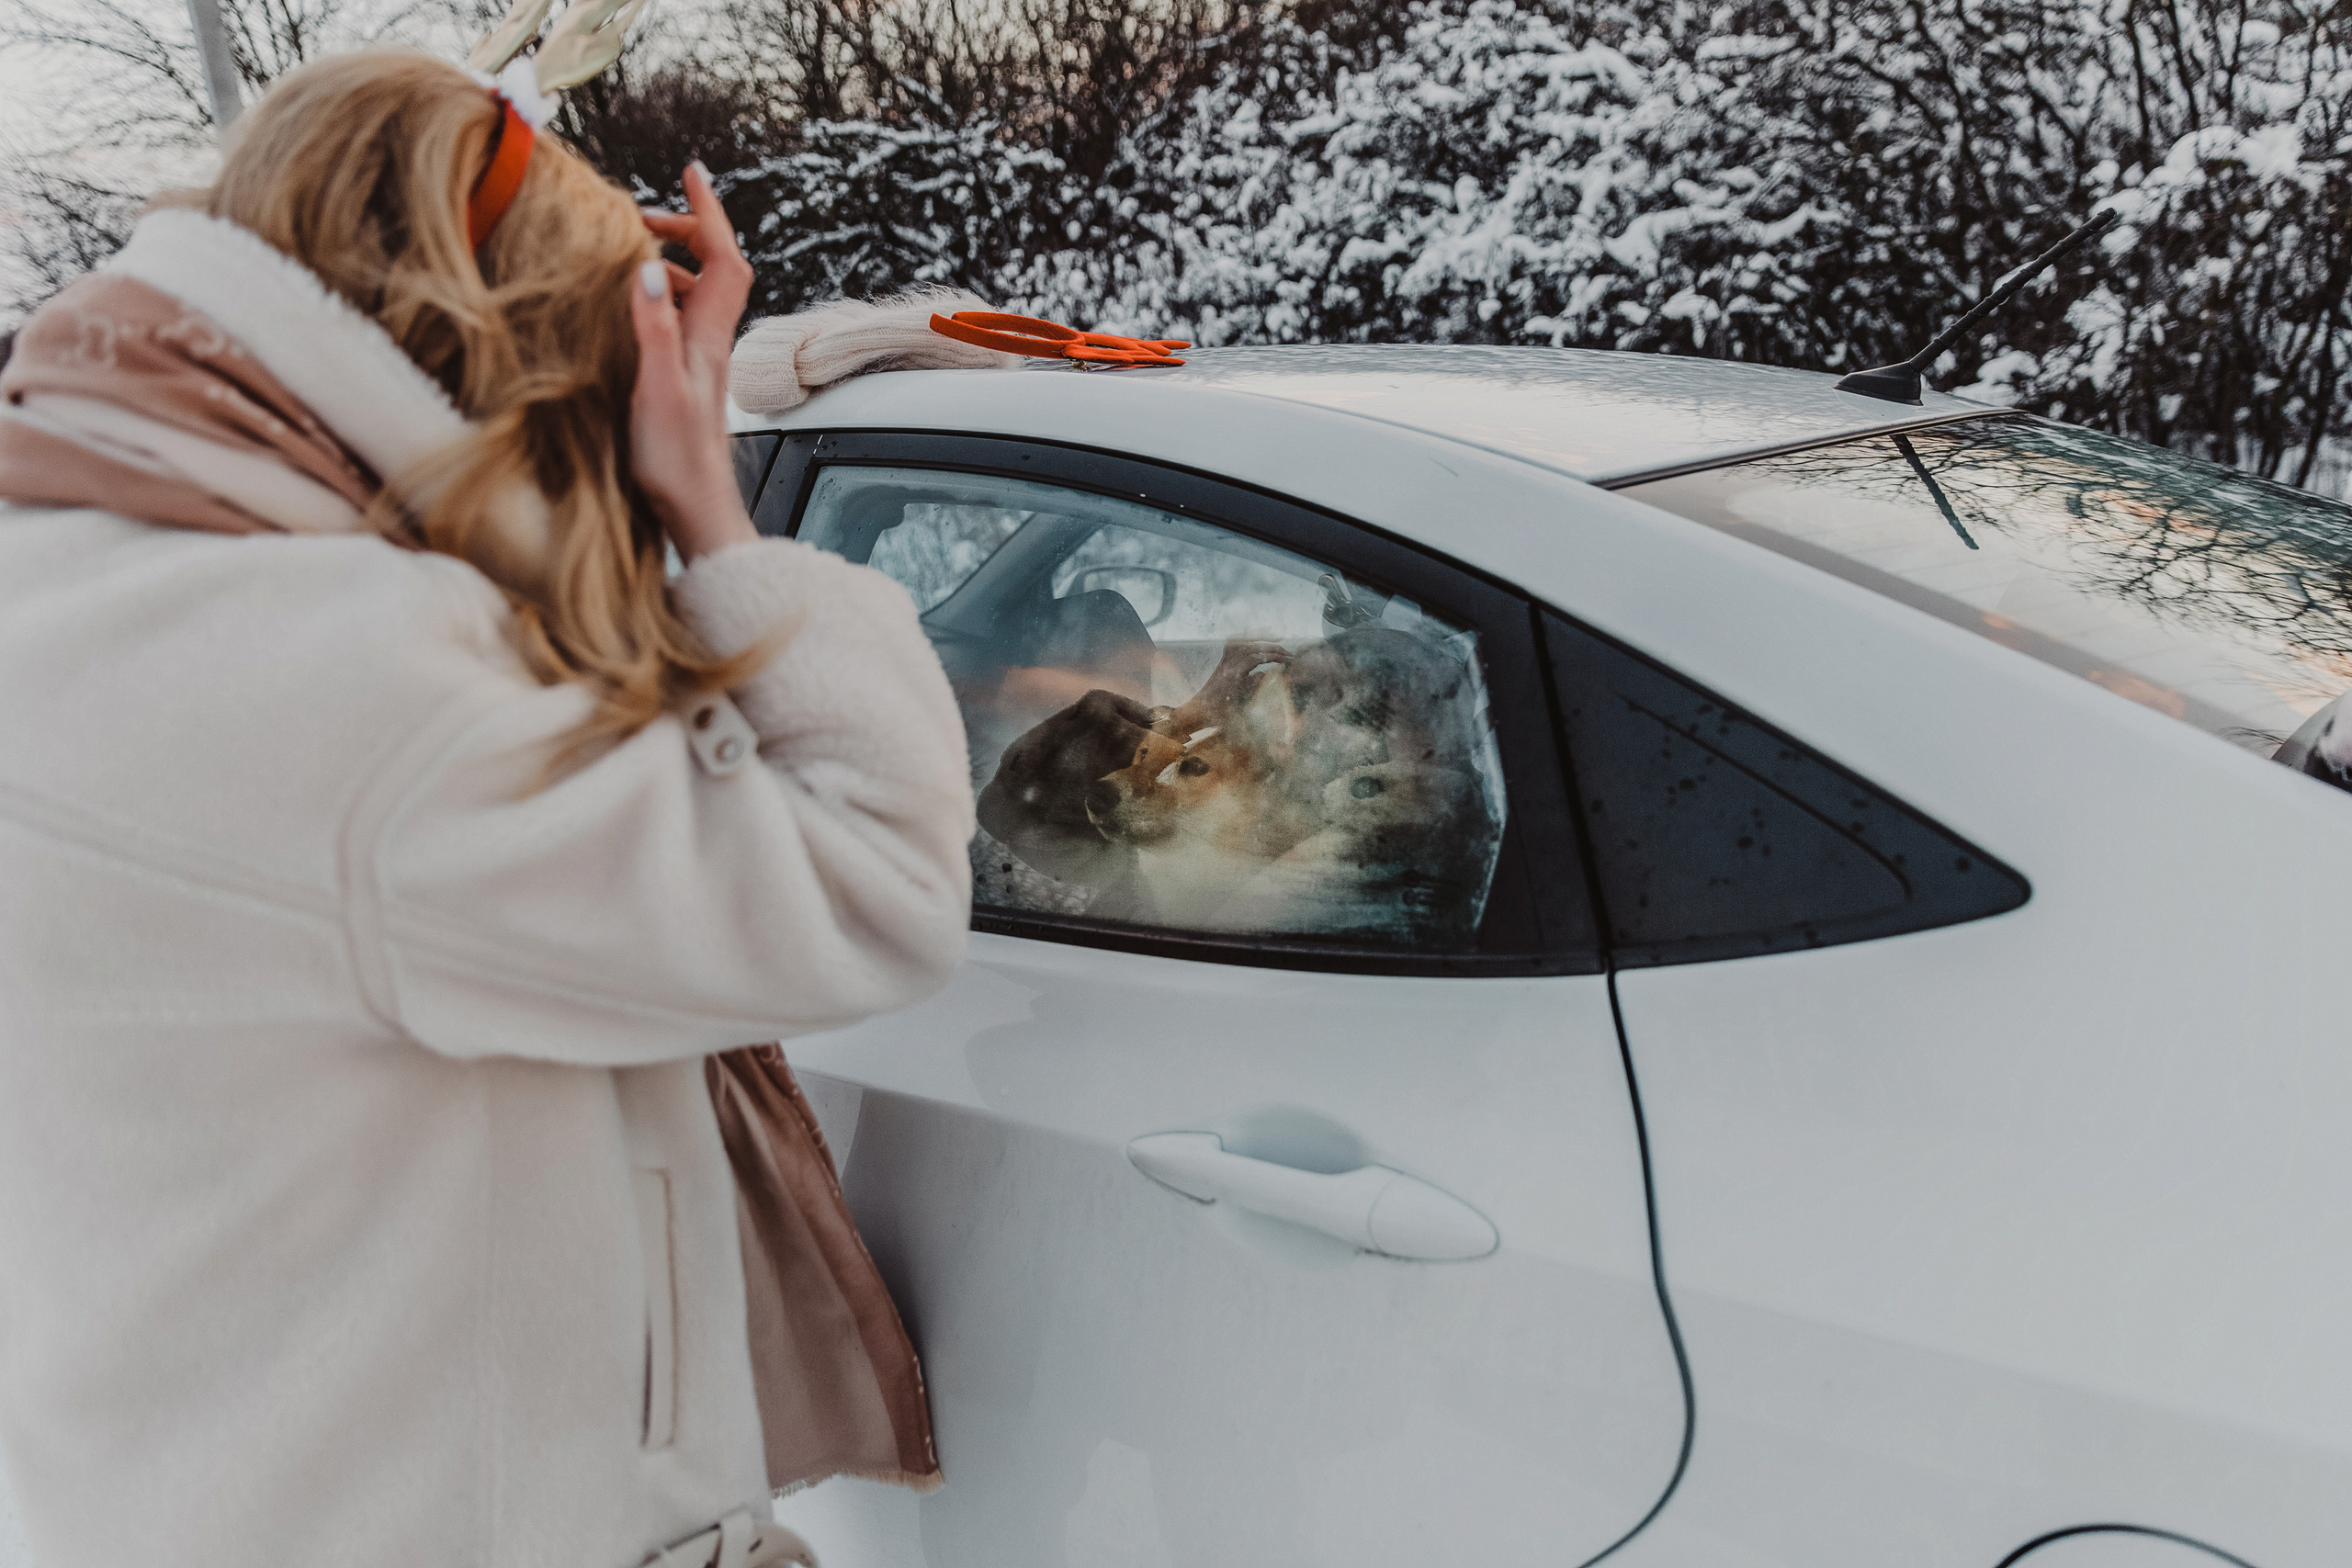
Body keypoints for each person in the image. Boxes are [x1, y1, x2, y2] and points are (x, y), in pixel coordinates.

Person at [0, 50, 971, 1568]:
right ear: (509, 352)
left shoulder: (78, 581)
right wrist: (710, 503)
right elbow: (873, 886)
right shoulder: (350, 692)